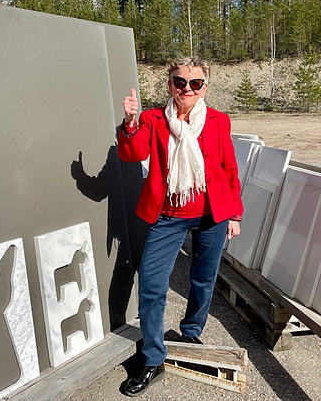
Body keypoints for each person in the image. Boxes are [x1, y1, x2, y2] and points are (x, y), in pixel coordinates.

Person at [117, 56, 244, 397]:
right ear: (170, 84)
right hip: (168, 214)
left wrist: (234, 214)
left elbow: (228, 167)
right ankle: (152, 358)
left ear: (205, 87)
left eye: (195, 83)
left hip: (212, 214)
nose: (187, 88)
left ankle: (191, 332)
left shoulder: (218, 120)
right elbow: (132, 154)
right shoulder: (153, 119)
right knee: (152, 285)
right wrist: (129, 123)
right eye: (180, 82)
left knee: (203, 279)